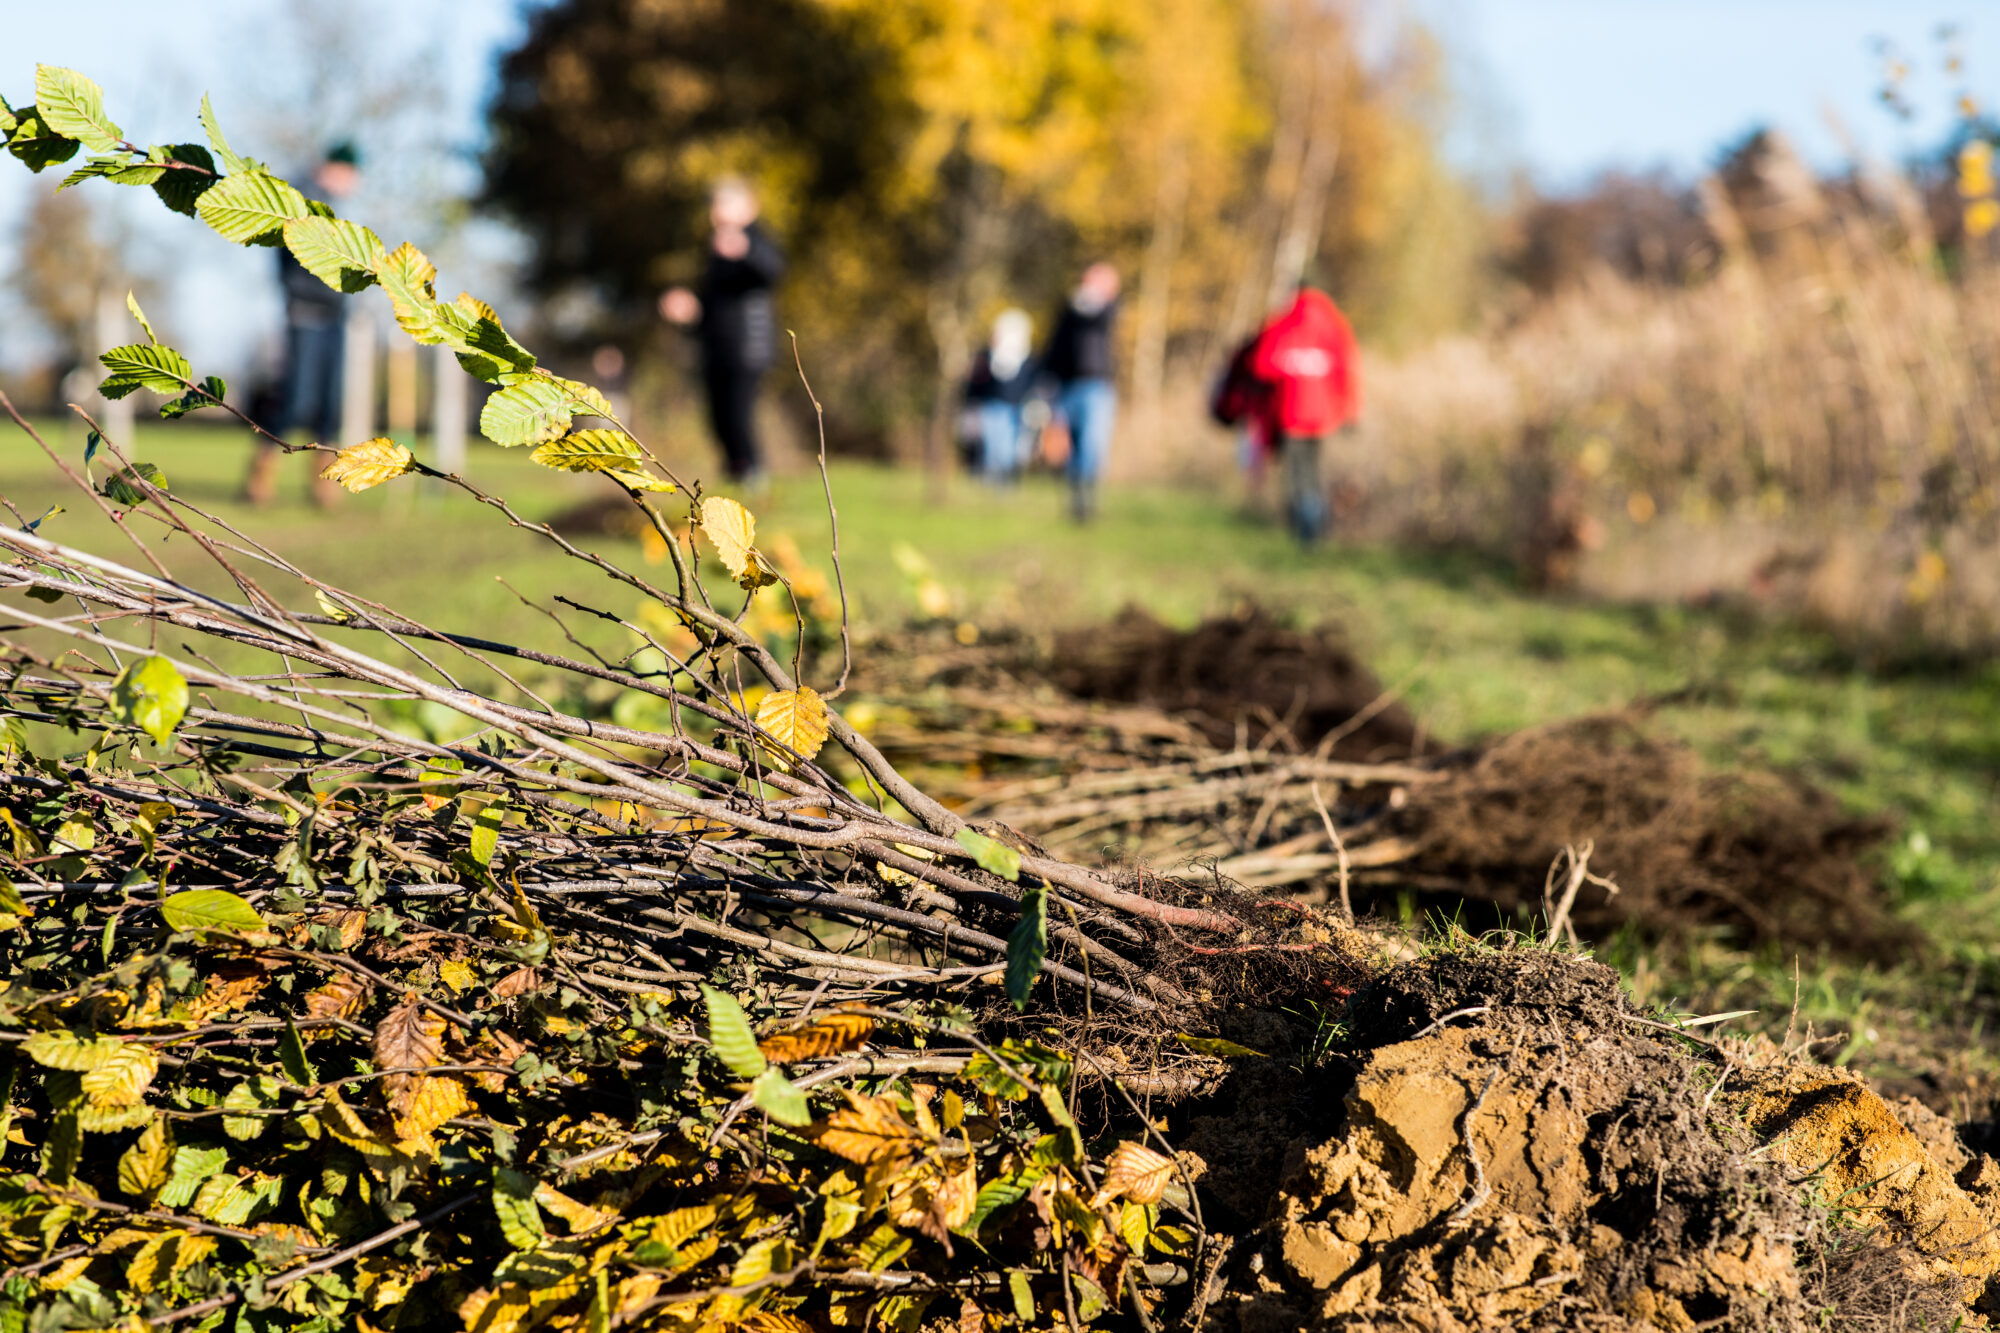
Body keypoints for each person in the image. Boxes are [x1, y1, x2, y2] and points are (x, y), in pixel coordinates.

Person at [245, 143, 360, 506]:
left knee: (329, 406)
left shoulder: (331, 208)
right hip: (306, 315)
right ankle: (261, 475)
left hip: (335, 318)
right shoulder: (302, 205)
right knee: (295, 401)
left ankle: (323, 483)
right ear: (335, 168)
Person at [659, 179, 786, 486]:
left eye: (724, 204)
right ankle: (737, 476)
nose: (717, 212)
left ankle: (754, 479)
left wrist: (746, 251)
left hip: (748, 348)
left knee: (737, 417)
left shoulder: (755, 238)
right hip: (719, 348)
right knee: (719, 419)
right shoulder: (717, 247)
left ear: (748, 207)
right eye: (715, 205)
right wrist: (691, 310)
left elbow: (774, 270)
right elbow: (716, 306)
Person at [1246, 284, 1362, 543]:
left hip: (1290, 415)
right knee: (1312, 470)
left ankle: (1303, 528)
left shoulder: (1281, 325)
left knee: (1295, 472)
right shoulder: (1334, 327)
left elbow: (1260, 365)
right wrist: (1349, 411)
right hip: (1322, 418)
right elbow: (1347, 372)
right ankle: (1314, 526)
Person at [1040, 262, 1121, 520]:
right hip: (1066, 387)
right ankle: (1076, 500)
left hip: (1096, 386)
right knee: (1068, 446)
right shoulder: (1068, 311)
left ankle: (1088, 500)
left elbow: (1100, 318)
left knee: (1092, 445)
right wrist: (1045, 379)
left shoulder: (1107, 309)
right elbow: (1054, 346)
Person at [962, 309, 1036, 483]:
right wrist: (972, 405)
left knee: (1008, 448)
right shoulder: (986, 357)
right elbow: (975, 384)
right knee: (991, 445)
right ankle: (990, 479)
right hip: (991, 408)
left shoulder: (1027, 360)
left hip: (1016, 409)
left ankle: (1004, 479)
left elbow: (1030, 386)